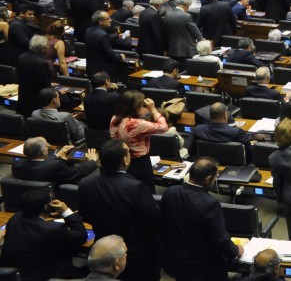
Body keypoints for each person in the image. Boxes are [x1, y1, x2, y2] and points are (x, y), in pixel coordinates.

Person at [79, 140, 162, 281]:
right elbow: (153, 218)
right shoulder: (136, 187)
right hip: (135, 251)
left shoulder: (86, 184)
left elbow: (85, 215)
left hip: (102, 244)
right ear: (125, 160)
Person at [160, 157, 244, 280]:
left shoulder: (170, 192)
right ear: (208, 179)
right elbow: (220, 239)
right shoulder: (210, 204)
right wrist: (236, 250)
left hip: (177, 261)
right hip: (205, 268)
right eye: (215, 177)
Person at [0, 187, 87, 281]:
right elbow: (81, 235)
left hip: (13, 273)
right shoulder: (53, 229)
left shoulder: (15, 218)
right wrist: (66, 212)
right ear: (46, 206)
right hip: (41, 275)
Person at [110, 89, 169, 191]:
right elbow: (163, 127)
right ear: (135, 108)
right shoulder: (137, 124)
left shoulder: (114, 118)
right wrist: (153, 109)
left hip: (120, 160)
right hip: (139, 164)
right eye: (142, 106)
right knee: (145, 191)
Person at [14, 135, 98, 183]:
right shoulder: (57, 166)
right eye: (47, 145)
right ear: (43, 152)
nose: (49, 145)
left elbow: (40, 164)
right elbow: (78, 172)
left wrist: (57, 155)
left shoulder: (16, 165)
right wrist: (92, 160)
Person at [17, 35, 55, 118]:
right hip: (36, 102)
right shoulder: (41, 63)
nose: (48, 48)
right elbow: (45, 85)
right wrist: (57, 92)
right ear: (42, 49)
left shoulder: (21, 57)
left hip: (23, 97)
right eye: (47, 46)